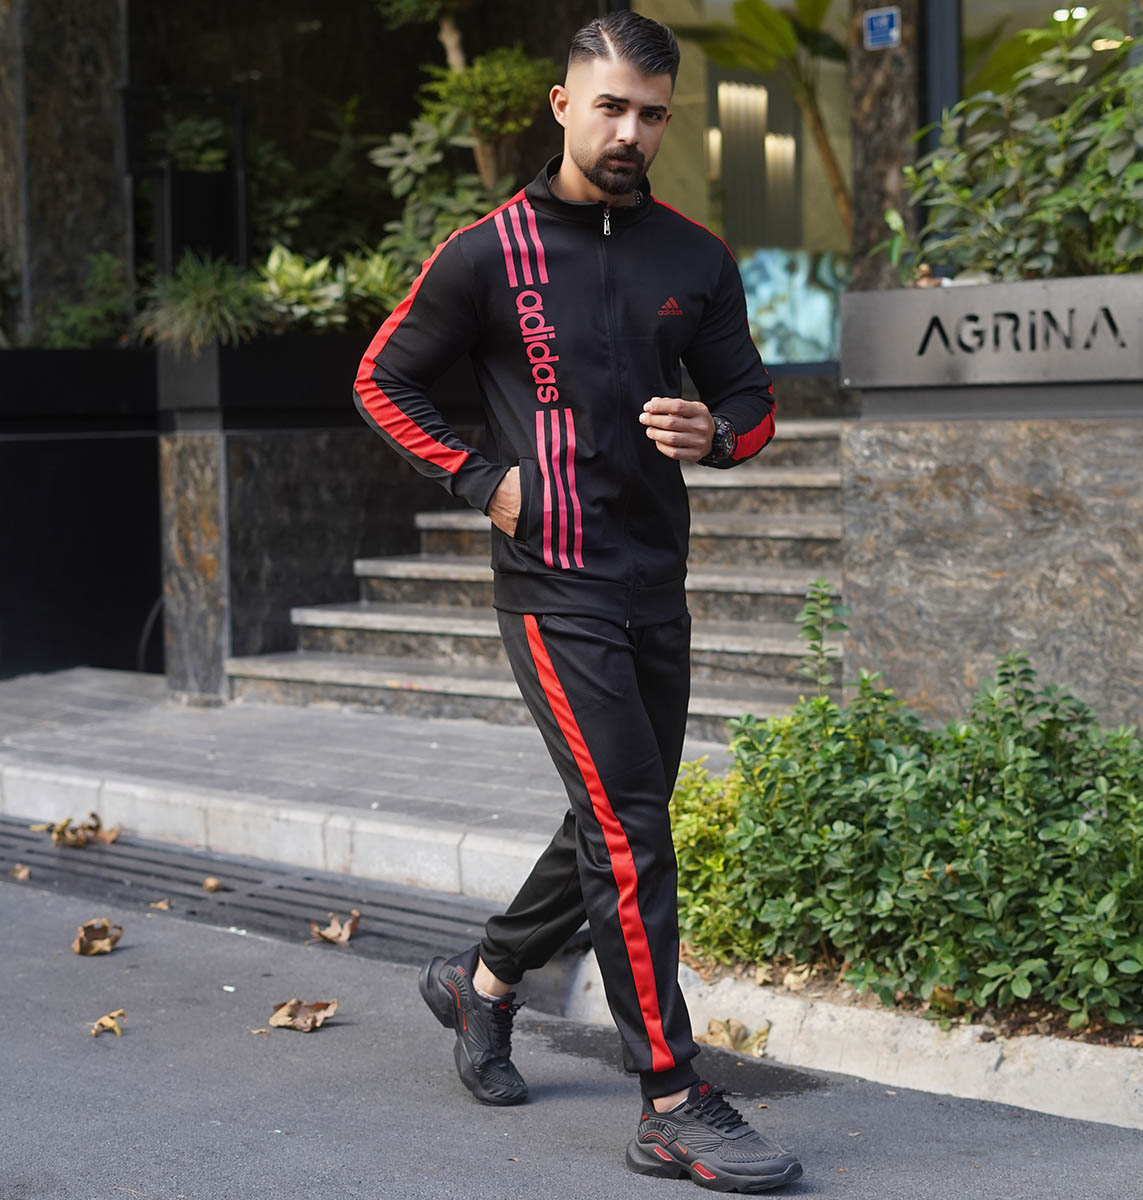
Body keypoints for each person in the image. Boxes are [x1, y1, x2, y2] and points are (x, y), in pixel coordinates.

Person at [353, 10, 801, 1192]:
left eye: (652, 114)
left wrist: (717, 433)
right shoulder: (486, 253)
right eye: (611, 107)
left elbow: (754, 401)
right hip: (554, 584)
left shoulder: (695, 257)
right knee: (630, 830)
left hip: (658, 578)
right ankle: (673, 1101)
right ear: (564, 105)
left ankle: (483, 982)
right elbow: (382, 380)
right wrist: (481, 479)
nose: (631, 133)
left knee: (614, 814)